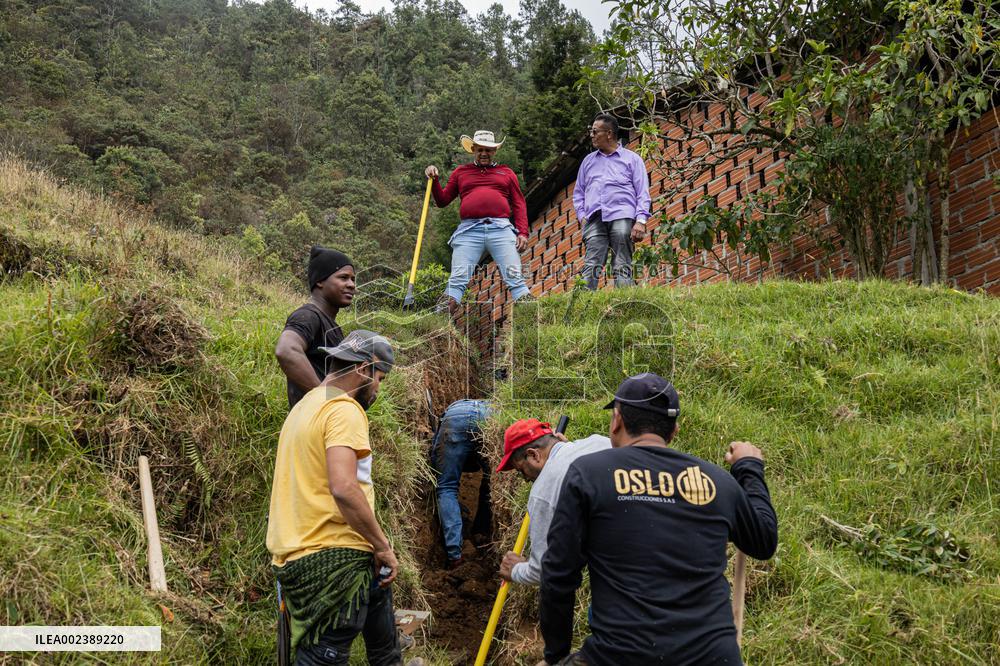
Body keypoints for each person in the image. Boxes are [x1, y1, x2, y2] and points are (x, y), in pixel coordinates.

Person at [539, 373, 778, 666]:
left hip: (620, 657)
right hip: (714, 658)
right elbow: (764, 541)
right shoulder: (715, 481)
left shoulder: (589, 473)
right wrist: (749, 467)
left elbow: (558, 576)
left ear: (617, 421)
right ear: (674, 430)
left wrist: (556, 656)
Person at [266, 330, 422, 666]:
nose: (378, 389)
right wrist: (382, 546)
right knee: (323, 657)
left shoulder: (304, 407)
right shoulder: (344, 410)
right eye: (380, 378)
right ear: (365, 369)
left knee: (383, 638)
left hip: (304, 552)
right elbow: (343, 487)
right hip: (333, 563)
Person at [424, 130, 532, 314]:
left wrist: (522, 232)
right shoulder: (461, 172)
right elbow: (442, 201)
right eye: (480, 149)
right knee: (458, 279)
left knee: (515, 276)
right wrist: (434, 180)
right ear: (473, 149)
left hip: (501, 228)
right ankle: (437, 323)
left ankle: (532, 320)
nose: (484, 153)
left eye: (488, 150)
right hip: (469, 231)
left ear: (494, 151)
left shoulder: (506, 173)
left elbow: (519, 203)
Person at [494, 419, 611, 587]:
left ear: (533, 455)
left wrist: (515, 570)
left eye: (521, 470)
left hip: (618, 580)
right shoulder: (599, 441)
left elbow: (544, 571)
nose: (526, 479)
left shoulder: (543, 491)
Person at [573, 113, 652, 290]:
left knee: (622, 262)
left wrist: (640, 221)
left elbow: (642, 193)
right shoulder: (588, 162)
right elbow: (578, 194)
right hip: (594, 219)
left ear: (609, 133)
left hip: (622, 216)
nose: (591, 135)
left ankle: (624, 303)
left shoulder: (632, 159)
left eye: (595, 131)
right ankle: (582, 306)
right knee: (591, 264)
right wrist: (582, 217)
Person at [275, 246, 355, 408]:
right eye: (344, 277)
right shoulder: (309, 316)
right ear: (320, 281)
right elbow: (286, 350)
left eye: (353, 279)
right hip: (311, 422)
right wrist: (323, 400)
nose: (352, 285)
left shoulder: (332, 327)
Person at [430, 399, 493, 568]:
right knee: (491, 482)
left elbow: (434, 457)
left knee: (446, 487)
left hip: (455, 417)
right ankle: (482, 534)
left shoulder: (449, 414)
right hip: (490, 415)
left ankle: (455, 556)